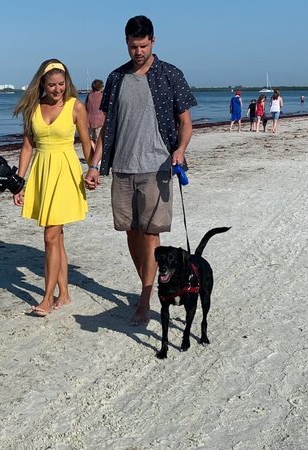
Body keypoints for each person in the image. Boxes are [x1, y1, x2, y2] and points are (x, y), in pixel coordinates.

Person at [84, 15, 197, 325]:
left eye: (144, 46)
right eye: (133, 46)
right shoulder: (116, 78)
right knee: (131, 233)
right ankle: (149, 286)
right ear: (126, 43)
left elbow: (186, 122)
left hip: (156, 167)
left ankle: (146, 299)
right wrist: (94, 165)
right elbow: (107, 129)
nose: (138, 52)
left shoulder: (170, 75)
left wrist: (180, 149)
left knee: (150, 236)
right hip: (121, 167)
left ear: (153, 41)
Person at [12, 59, 91, 317]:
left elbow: (87, 146)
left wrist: (94, 168)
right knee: (56, 237)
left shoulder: (76, 107)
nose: (57, 89)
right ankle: (64, 294)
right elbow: (27, 148)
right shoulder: (32, 108)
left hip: (65, 173)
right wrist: (18, 182)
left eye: (61, 84)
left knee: (49, 236)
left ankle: (46, 298)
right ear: (42, 84)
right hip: (42, 172)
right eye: (52, 84)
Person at [85, 79, 105, 149]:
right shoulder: (103, 96)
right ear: (101, 87)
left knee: (90, 138)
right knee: (98, 139)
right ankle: (97, 154)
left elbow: (85, 107)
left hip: (89, 120)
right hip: (100, 120)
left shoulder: (89, 96)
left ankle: (93, 151)